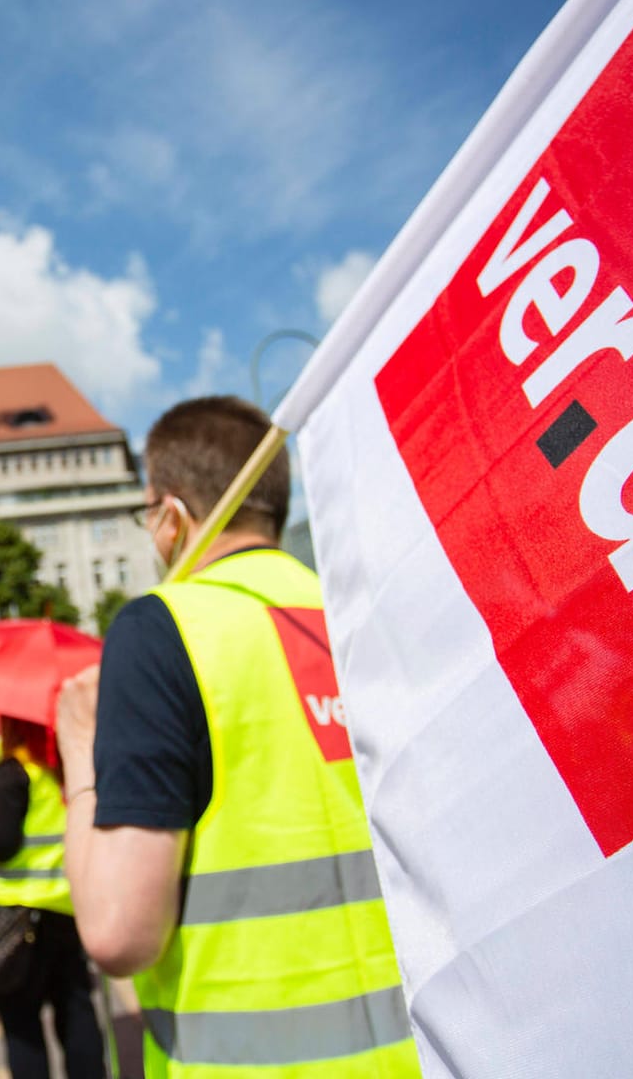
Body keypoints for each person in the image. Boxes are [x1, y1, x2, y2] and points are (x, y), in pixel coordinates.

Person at [56, 396, 421, 1078]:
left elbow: (118, 934)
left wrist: (81, 756)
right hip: (416, 1055)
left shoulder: (161, 629)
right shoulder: (360, 619)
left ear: (170, 518)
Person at [0, 715, 105, 1079]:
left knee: (22, 1025)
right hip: (65, 908)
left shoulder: (14, 773)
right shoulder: (63, 771)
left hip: (17, 920)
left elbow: (2, 844)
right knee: (77, 1009)